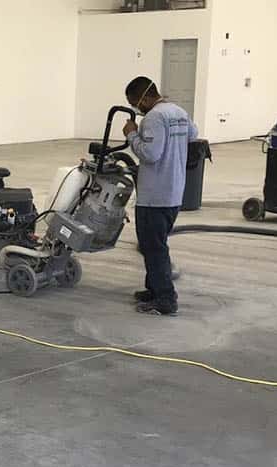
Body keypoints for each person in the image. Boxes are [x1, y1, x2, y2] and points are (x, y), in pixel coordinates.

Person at [122, 76, 198, 316]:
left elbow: (150, 153)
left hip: (154, 195)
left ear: (144, 97)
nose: (136, 108)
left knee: (153, 247)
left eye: (135, 103)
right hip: (174, 191)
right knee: (155, 244)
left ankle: (165, 298)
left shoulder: (154, 117)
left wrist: (132, 134)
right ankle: (154, 288)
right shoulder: (178, 111)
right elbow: (193, 134)